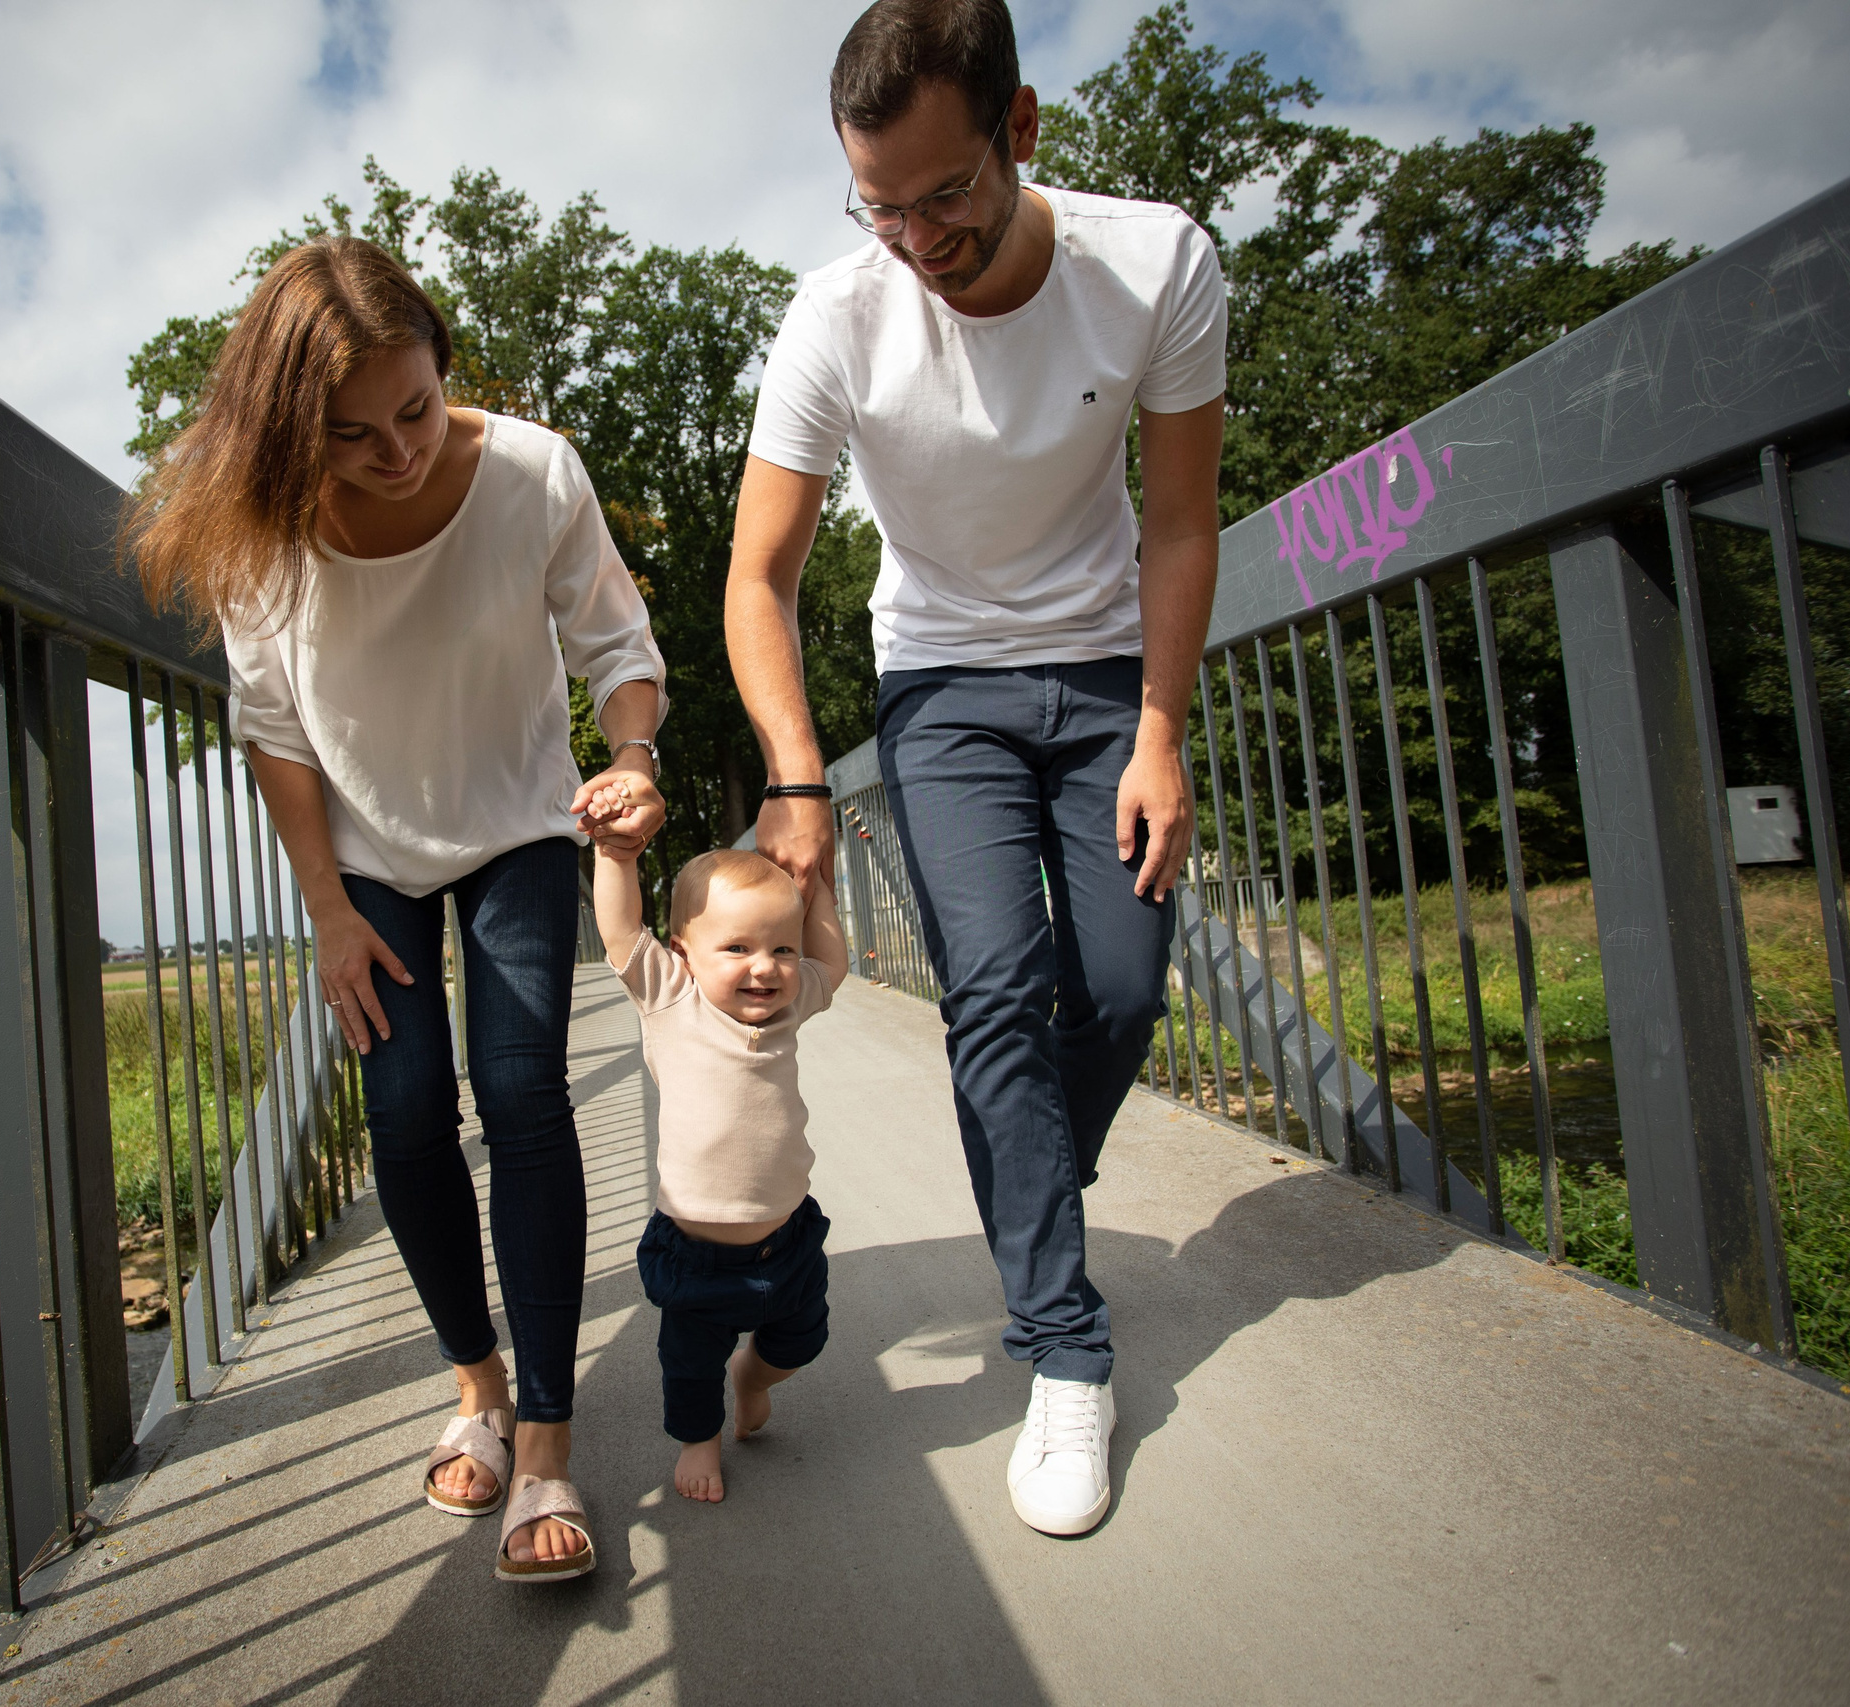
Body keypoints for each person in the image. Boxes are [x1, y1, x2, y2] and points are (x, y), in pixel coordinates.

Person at [725, 0, 1227, 1537]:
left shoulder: (1156, 265)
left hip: (1096, 676)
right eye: (878, 206)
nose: (916, 240)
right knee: (998, 989)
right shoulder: (836, 317)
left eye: (944, 196)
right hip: (937, 683)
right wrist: (800, 774)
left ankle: (1026, 1195)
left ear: (1020, 131)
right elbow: (759, 576)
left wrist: (1159, 732)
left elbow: (1188, 518)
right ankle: (1066, 1348)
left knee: (1128, 985)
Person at [125, 235, 669, 1583]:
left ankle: (545, 1440)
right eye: (354, 436)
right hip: (361, 848)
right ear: (290, 433)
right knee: (410, 1109)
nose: (399, 451)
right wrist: (324, 903)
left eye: (415, 410)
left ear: (443, 362)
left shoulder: (535, 471)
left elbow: (617, 642)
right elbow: (273, 726)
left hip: (519, 824)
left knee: (523, 1090)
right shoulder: (257, 522)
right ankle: (476, 1385)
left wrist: (636, 757)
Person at [587, 802, 849, 1504]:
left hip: (788, 1239)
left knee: (799, 1342)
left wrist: (816, 884)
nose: (765, 968)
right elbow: (619, 930)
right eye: (736, 949)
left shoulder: (793, 1004)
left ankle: (753, 1377)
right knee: (688, 1366)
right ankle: (700, 1436)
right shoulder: (672, 999)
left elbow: (834, 959)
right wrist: (615, 857)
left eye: (781, 949)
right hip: (697, 1253)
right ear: (683, 954)